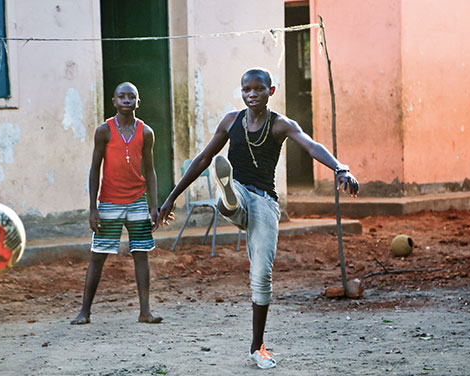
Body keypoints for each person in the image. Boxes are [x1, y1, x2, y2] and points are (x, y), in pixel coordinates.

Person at [158, 68, 359, 368]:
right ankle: (227, 196)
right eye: (246, 89)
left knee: (262, 276)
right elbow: (203, 159)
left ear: (270, 91)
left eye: (258, 89)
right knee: (229, 199)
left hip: (264, 202)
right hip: (238, 188)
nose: (252, 94)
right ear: (241, 92)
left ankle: (257, 347)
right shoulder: (231, 121)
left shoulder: (280, 125)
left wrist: (340, 167)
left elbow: (310, 145)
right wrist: (171, 196)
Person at [71, 82, 168, 325]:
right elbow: (95, 169)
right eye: (121, 96)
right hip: (109, 202)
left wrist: (153, 206)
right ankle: (85, 311)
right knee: (98, 256)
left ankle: (145, 312)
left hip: (137, 200)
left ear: (138, 102)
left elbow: (150, 170)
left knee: (141, 254)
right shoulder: (104, 131)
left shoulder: (146, 133)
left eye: (131, 97)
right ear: (113, 101)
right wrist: (93, 207)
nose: (126, 100)